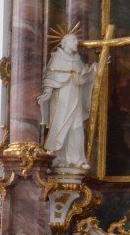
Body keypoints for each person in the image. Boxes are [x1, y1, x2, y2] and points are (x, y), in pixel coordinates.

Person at [38, 33, 96, 170]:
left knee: (76, 128)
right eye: (73, 41)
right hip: (61, 101)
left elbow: (85, 77)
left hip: (76, 100)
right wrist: (47, 92)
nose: (76, 44)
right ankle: (59, 157)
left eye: (76, 41)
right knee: (60, 126)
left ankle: (77, 160)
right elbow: (50, 77)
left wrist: (94, 70)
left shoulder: (77, 60)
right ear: (65, 43)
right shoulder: (56, 58)